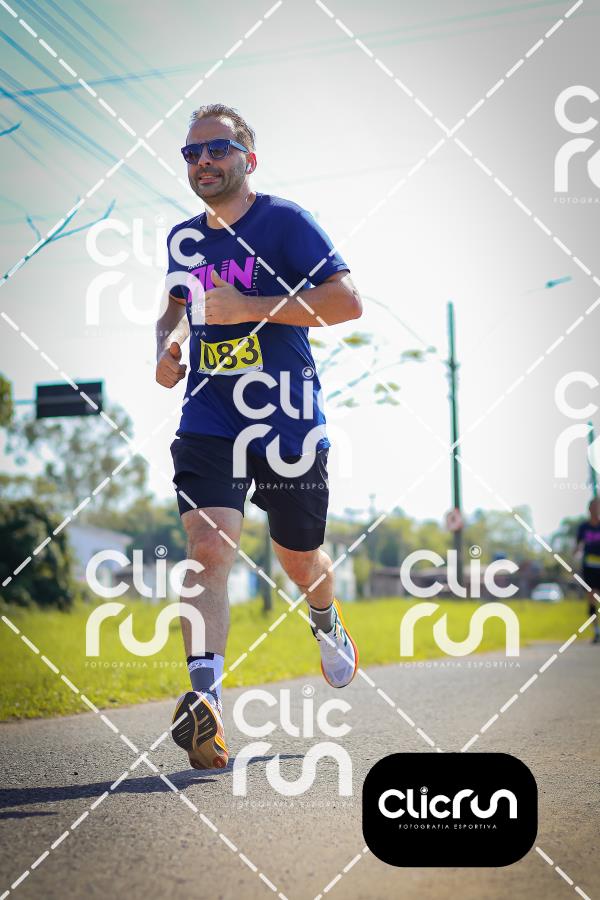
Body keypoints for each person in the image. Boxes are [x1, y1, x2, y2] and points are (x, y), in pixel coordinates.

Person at [155, 104, 363, 770]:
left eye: (217, 149)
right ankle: (207, 703)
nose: (203, 162)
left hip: (287, 417)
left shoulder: (286, 223)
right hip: (210, 415)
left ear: (249, 158)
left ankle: (324, 617)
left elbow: (347, 301)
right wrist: (167, 348)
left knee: (298, 560)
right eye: (192, 153)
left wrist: (251, 307)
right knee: (208, 545)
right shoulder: (183, 240)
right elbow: (172, 315)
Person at [575, 497, 600, 644]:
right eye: (594, 507)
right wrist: (576, 551)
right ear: (589, 509)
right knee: (591, 598)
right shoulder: (583, 527)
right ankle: (596, 631)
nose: (596, 510)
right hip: (589, 567)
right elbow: (578, 545)